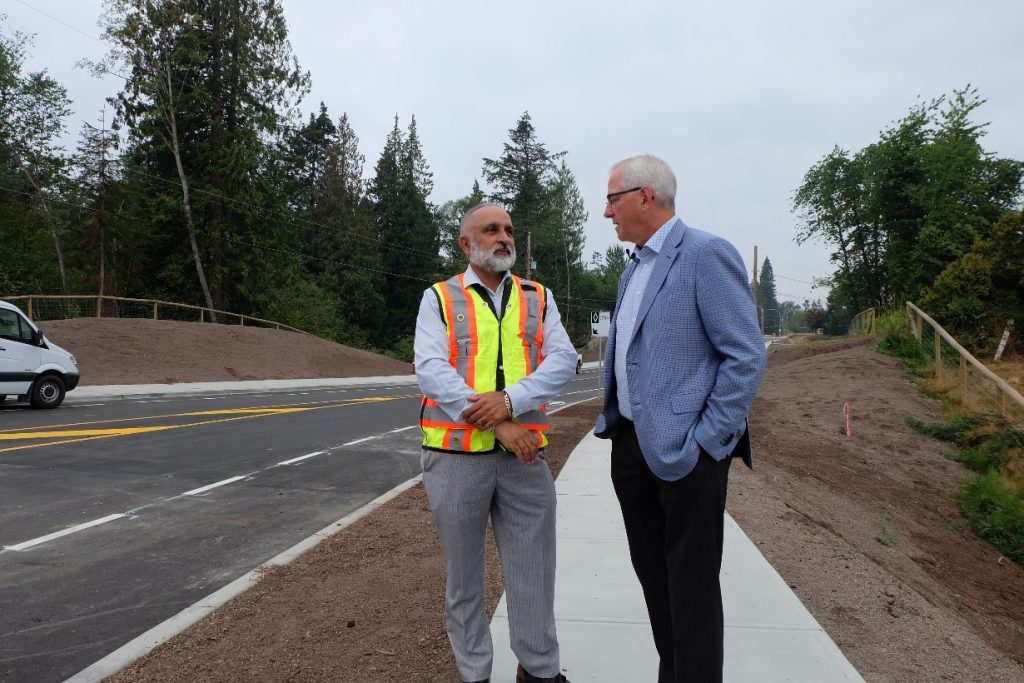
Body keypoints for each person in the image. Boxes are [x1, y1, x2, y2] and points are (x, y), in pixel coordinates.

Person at [594, 155, 767, 682]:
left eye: (612, 199)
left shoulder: (705, 255)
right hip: (632, 448)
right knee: (655, 583)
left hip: (688, 456)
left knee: (691, 590)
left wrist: (708, 440)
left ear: (645, 196)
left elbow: (745, 355)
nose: (606, 213)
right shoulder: (633, 269)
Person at [414, 202, 576, 683]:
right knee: (465, 580)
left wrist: (510, 401)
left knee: (534, 572)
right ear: (467, 244)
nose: (504, 236)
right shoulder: (439, 298)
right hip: (456, 458)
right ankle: (474, 673)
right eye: (491, 229)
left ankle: (540, 670)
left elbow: (563, 359)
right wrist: (498, 423)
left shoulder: (537, 297)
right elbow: (431, 370)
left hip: (525, 459)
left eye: (508, 228)